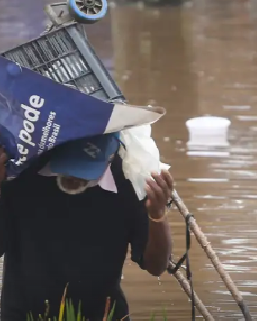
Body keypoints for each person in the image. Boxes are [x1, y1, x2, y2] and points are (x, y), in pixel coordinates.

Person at [0, 132, 174, 320]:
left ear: (109, 157)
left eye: (86, 169)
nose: (75, 176)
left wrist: (157, 215)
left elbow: (156, 266)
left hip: (104, 314)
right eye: (69, 166)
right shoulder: (19, 172)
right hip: (24, 314)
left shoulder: (130, 179)